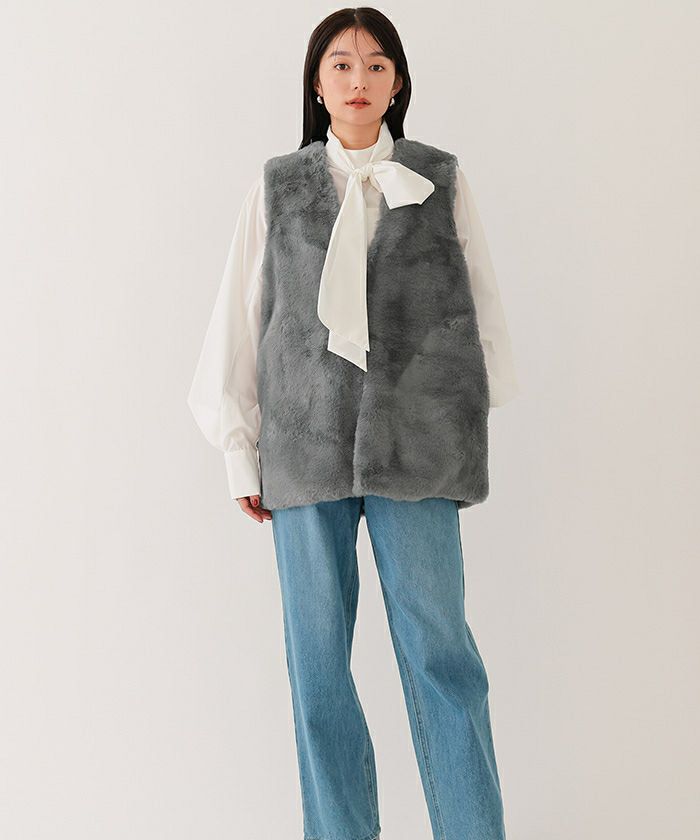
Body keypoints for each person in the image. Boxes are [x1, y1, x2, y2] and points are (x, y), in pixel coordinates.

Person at [187, 8, 519, 840]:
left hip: (422, 451)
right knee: (318, 671)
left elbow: (483, 312)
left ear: (398, 83)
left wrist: (462, 421)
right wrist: (240, 452)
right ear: (317, 82)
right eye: (341, 65)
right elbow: (240, 323)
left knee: (443, 657)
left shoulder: (440, 179)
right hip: (304, 450)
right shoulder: (278, 187)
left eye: (376, 66)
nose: (358, 80)